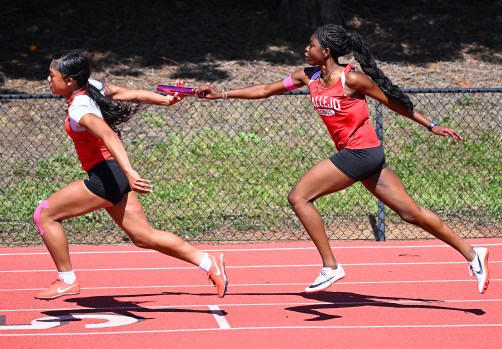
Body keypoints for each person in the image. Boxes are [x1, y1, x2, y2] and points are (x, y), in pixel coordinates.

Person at [195, 24, 489, 294]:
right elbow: (265, 90)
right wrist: (221, 93)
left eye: (310, 45)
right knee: (411, 213)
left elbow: (393, 102)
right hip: (362, 156)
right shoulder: (306, 76)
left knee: (299, 197)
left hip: (362, 153)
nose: (305, 50)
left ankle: (331, 266)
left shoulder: (353, 80)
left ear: (325, 52)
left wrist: (432, 125)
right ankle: (473, 254)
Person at [34, 50, 228, 300]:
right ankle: (208, 261)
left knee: (45, 214)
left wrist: (129, 170)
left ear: (69, 80)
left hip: (107, 175)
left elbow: (108, 135)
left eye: (52, 75)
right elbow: (131, 94)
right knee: (143, 236)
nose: (48, 80)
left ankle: (66, 280)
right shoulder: (90, 87)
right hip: (113, 173)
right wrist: (166, 100)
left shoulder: (79, 108)